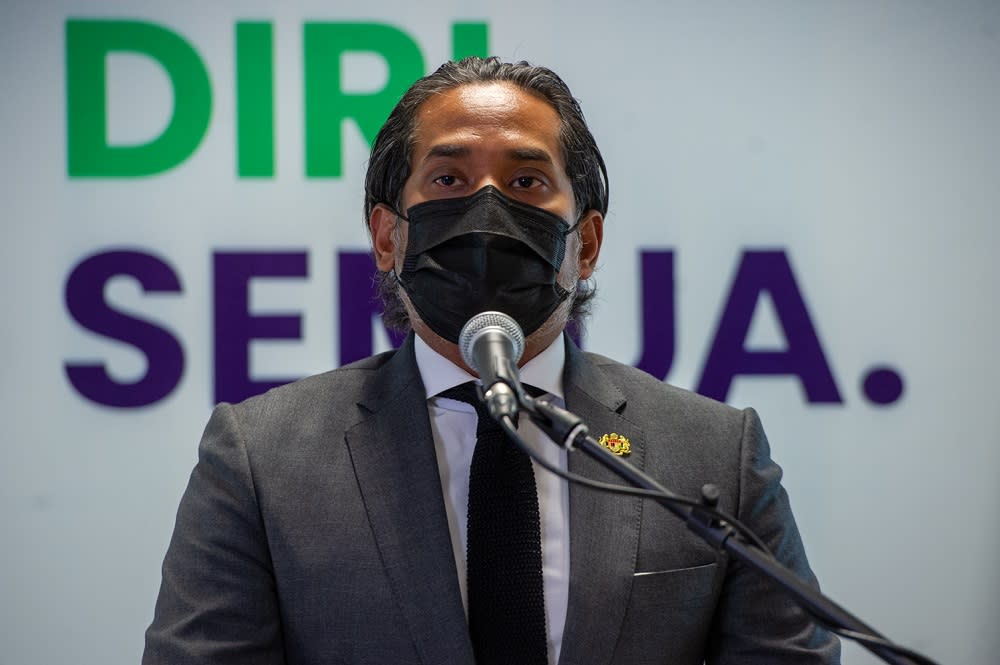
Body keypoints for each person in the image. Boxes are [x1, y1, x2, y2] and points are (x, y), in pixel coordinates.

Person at [143, 57, 840, 664]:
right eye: (448, 179)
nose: (487, 212)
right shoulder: (262, 459)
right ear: (388, 237)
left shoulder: (713, 453)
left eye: (528, 183)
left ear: (586, 243)